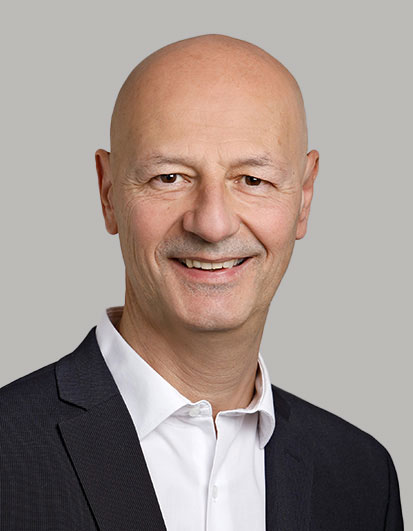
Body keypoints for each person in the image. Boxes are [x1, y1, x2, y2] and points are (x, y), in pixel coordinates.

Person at [0, 34, 403, 531]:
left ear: (304, 195)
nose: (212, 224)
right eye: (169, 177)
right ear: (108, 193)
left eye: (252, 180)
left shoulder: (362, 478)